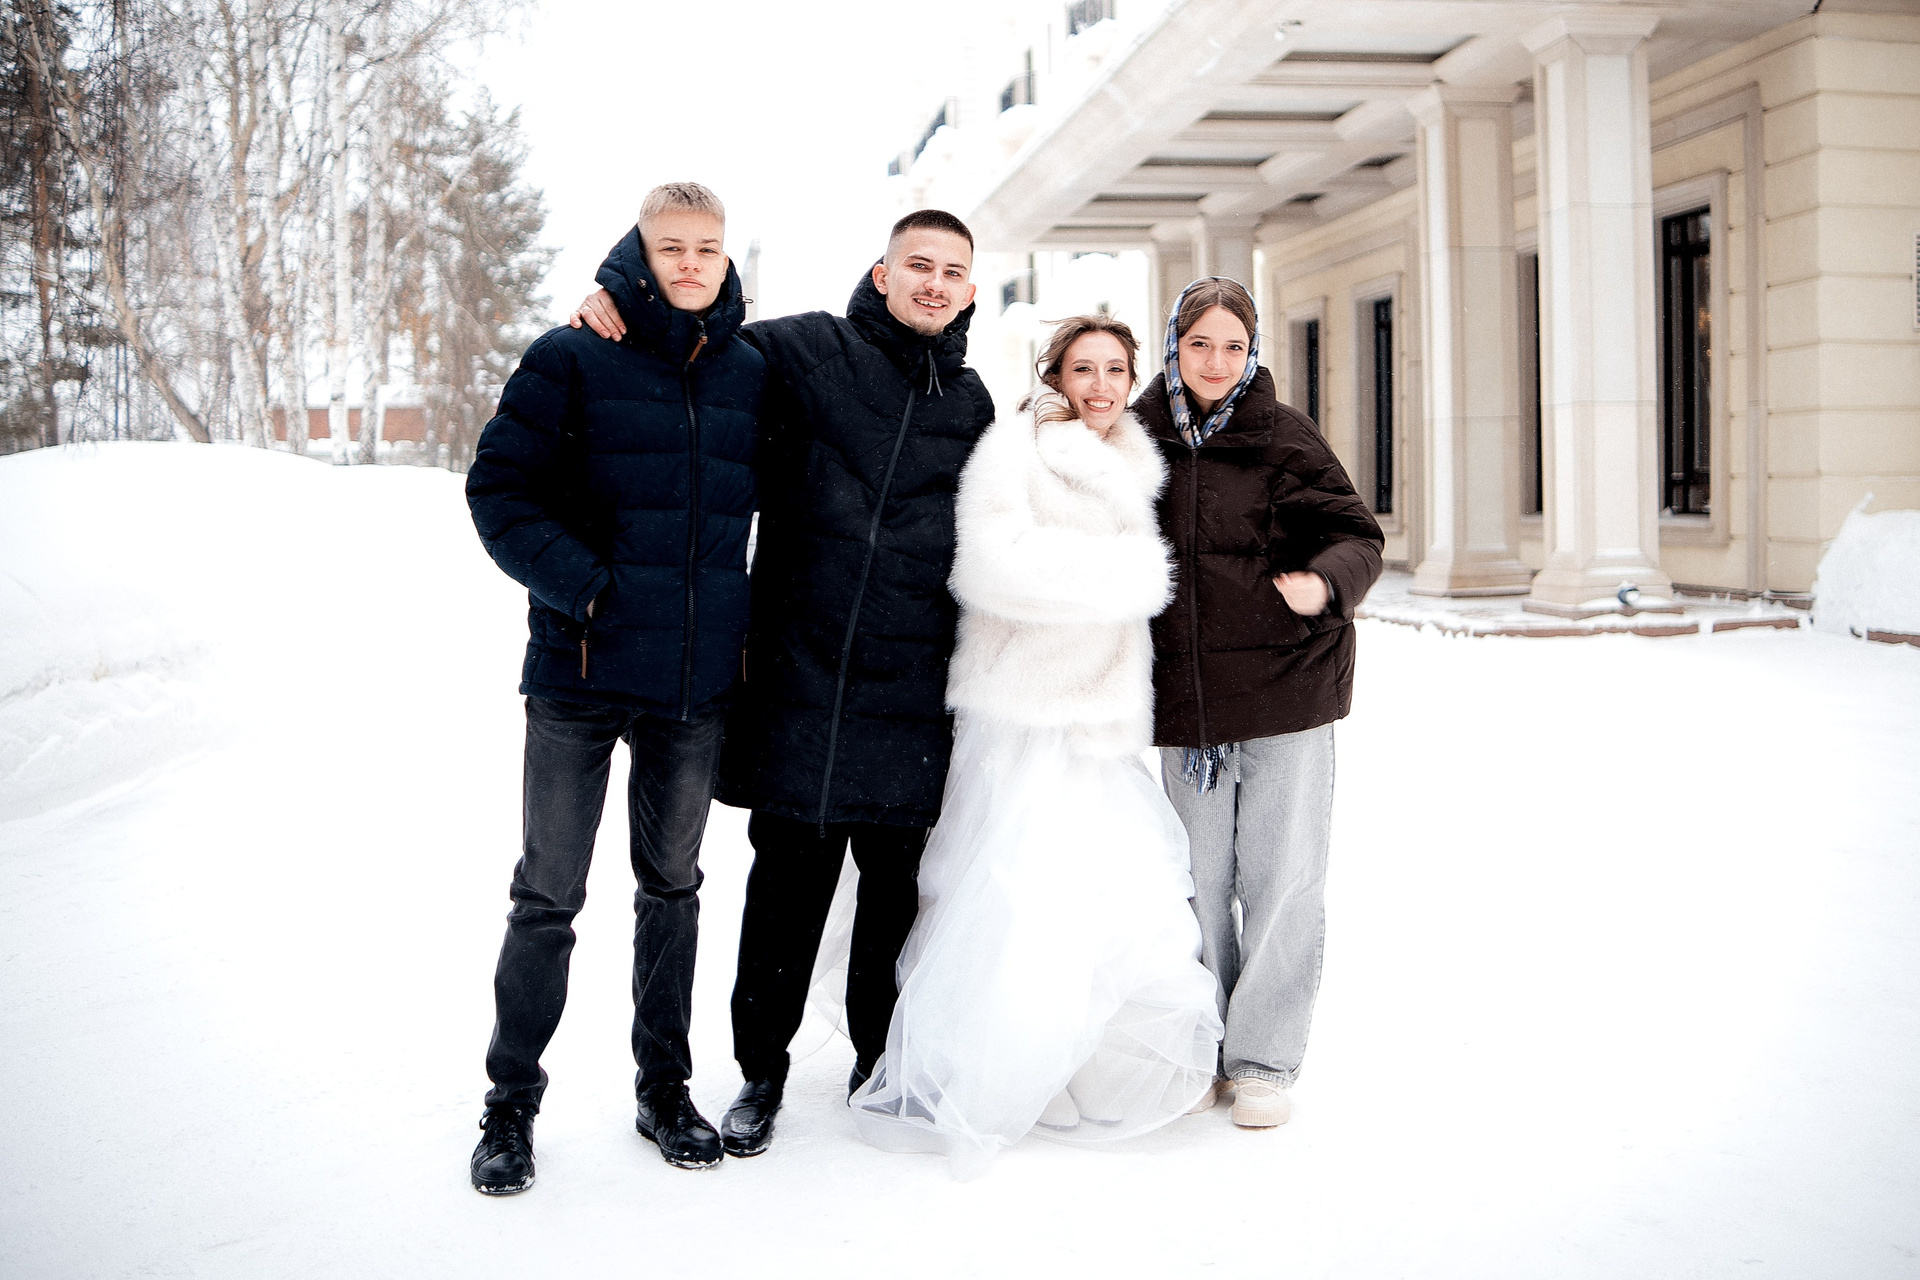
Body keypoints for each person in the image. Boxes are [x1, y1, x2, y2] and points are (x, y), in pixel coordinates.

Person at [569, 209, 996, 1158]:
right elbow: (697, 346)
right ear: (882, 273)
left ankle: (878, 1067)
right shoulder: (806, 352)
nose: (933, 282)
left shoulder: (973, 404)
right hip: (800, 677)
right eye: (917, 264)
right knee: (786, 892)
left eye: (951, 271)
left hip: (912, 689)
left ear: (970, 291)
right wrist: (622, 305)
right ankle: (761, 1074)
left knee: (894, 896)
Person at [849, 315, 1223, 1179]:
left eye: (1116, 370)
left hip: (1099, 718)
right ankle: (1010, 1065)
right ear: (1055, 375)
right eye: (1083, 368)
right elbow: (991, 565)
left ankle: (1071, 1056)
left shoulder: (1136, 456)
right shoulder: (1013, 449)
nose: (1101, 385)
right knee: (1018, 894)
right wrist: (1133, 579)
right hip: (1023, 711)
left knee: (1097, 895)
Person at [464, 182, 764, 1192]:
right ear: (639, 249)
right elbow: (498, 490)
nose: (691, 263)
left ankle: (664, 1090)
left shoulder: (749, 369)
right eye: (672, 246)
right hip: (581, 673)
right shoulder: (570, 355)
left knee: (672, 889)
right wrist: (586, 588)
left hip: (692, 684)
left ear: (727, 256)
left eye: (707, 247)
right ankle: (510, 1105)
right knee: (548, 893)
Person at [1135, 277, 1384, 1129]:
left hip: (1288, 690)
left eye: (1233, 346)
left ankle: (1263, 1061)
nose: (1215, 362)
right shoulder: (1137, 437)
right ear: (1174, 345)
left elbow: (1358, 536)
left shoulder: (1284, 435)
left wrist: (1325, 582)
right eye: (1199, 344)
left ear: (1252, 353)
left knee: (1281, 878)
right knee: (1196, 884)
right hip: (1188, 704)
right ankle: (1204, 1047)